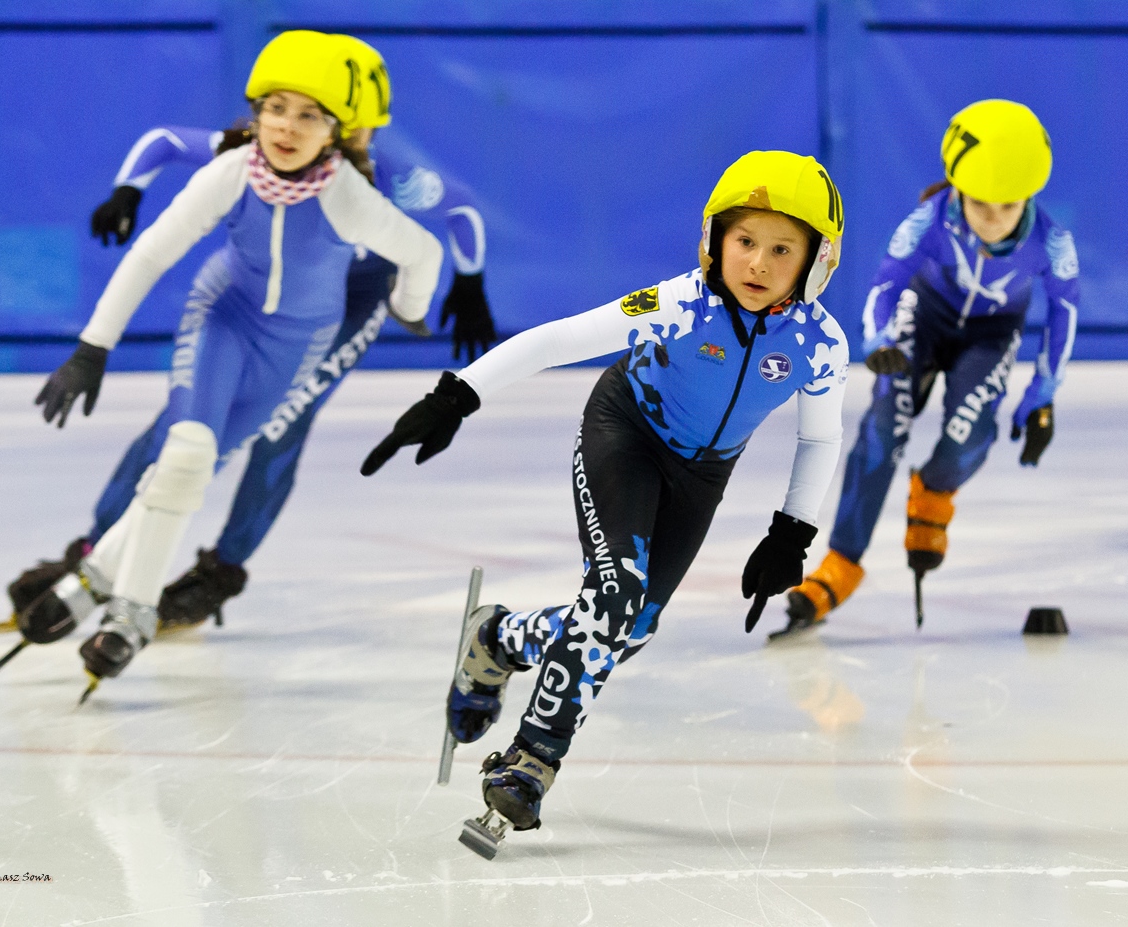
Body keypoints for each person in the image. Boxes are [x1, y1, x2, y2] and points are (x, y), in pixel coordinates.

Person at [361, 151, 850, 846]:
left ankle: (497, 636)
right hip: (626, 430)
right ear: (715, 242)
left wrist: (792, 532)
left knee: (631, 629)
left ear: (816, 262)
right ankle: (531, 762)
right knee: (614, 592)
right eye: (745, 241)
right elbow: (562, 339)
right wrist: (457, 394)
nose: (758, 263)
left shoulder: (819, 343)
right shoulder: (681, 303)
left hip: (702, 473)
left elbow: (820, 439)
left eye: (781, 248)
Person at [0, 31, 443, 694]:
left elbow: (424, 250)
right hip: (224, 315)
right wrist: (92, 349)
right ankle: (132, 613)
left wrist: (409, 302)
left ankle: (94, 578)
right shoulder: (234, 168)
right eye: (276, 108)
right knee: (181, 454)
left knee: (207, 464)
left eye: (310, 114)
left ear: (339, 130)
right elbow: (151, 253)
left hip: (297, 345)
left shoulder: (350, 196)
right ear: (256, 109)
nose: (287, 127)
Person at [777, 99, 1078, 637]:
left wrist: (1043, 392)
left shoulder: (1051, 243)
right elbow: (885, 286)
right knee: (885, 424)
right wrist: (881, 339)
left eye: (1007, 207)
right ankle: (842, 562)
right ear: (957, 186)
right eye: (980, 204)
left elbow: (1064, 314)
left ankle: (935, 492)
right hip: (926, 316)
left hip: (990, 334)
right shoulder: (929, 221)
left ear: (1029, 197)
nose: (991, 220)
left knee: (970, 432)